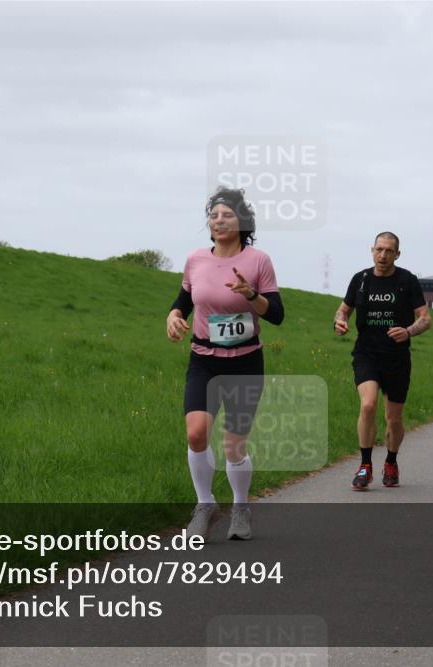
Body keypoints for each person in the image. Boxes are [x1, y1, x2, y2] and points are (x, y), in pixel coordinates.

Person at [166, 187, 284, 541]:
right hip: (203, 359)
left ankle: (241, 507)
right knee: (196, 432)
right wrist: (173, 316)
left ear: (242, 222)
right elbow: (184, 298)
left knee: (234, 444)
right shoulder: (196, 259)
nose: (218, 220)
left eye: (227, 215)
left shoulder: (258, 260)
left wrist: (251, 294)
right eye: (214, 215)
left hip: (245, 362)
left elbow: (277, 314)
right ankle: (205, 505)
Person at [334, 232, 431, 491]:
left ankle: (391, 461)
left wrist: (408, 331)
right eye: (379, 249)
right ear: (372, 250)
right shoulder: (361, 280)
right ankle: (365, 465)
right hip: (367, 354)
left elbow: (425, 318)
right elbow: (344, 308)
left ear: (397, 254)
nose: (383, 255)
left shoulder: (407, 281)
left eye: (389, 251)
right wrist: (340, 321)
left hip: (397, 358)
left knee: (393, 419)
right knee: (368, 405)